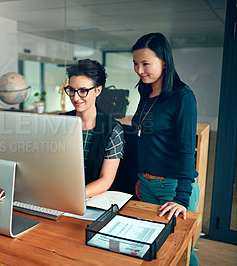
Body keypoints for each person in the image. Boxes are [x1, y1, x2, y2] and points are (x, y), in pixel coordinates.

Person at [131, 33, 200, 266]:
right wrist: (143, 175)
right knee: (152, 248)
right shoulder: (145, 92)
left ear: (164, 61)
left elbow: (187, 150)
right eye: (135, 64)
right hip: (147, 183)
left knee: (180, 250)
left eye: (145, 64)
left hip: (173, 187)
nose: (140, 70)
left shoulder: (183, 96)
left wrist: (181, 198)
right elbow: (144, 139)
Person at [61, 59, 125, 199]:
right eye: (71, 90)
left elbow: (106, 180)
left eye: (83, 91)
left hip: (96, 198)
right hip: (62, 194)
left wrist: (76, 196)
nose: (75, 97)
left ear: (98, 90)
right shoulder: (60, 123)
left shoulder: (113, 130)